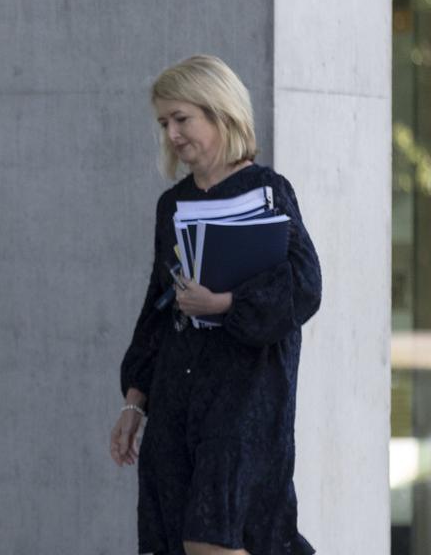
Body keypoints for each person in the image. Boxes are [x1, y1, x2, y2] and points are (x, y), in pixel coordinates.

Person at [110, 55, 321, 555]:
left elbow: (305, 285)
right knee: (173, 538)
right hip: (178, 400)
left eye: (181, 118)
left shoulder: (268, 192)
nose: (173, 134)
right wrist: (134, 403)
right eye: (165, 123)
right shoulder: (173, 204)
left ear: (219, 112)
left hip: (247, 394)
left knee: (213, 537)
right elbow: (156, 310)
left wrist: (226, 301)